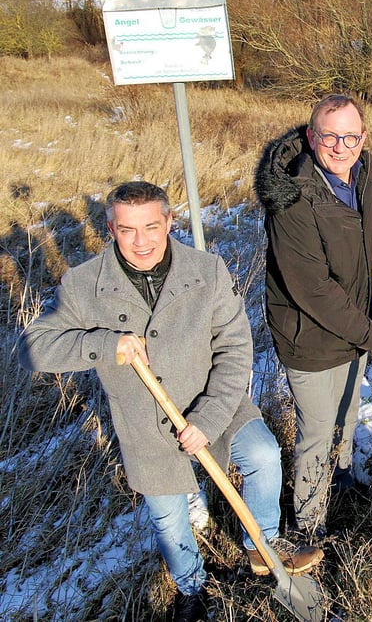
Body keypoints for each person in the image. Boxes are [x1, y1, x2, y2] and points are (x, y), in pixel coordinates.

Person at [17, 182, 323, 622]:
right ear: (110, 228)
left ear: (169, 223)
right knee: (167, 517)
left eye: (151, 227)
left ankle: (263, 545)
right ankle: (191, 589)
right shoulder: (85, 284)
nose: (140, 242)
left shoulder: (206, 270)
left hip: (216, 400)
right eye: (127, 230)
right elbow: (34, 348)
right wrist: (105, 345)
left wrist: (210, 417)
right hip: (145, 422)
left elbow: (235, 349)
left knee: (263, 453)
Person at [254, 94, 372, 538]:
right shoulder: (294, 198)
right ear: (311, 136)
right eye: (330, 136)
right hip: (310, 334)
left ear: (363, 137)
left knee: (348, 414)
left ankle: (341, 479)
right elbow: (313, 290)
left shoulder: (368, 174)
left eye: (350, 136)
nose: (341, 147)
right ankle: (309, 526)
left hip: (353, 321)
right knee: (318, 432)